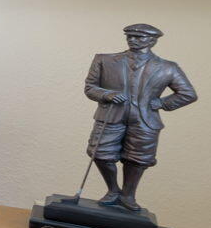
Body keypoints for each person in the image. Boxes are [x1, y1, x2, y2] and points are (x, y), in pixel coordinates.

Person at [84, 23, 197, 213]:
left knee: (138, 159)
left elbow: (188, 94)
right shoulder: (104, 60)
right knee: (100, 153)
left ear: (152, 41)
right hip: (110, 117)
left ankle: (128, 195)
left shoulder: (168, 67)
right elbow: (90, 87)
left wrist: (161, 103)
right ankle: (113, 190)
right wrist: (107, 94)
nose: (133, 40)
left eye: (139, 37)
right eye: (130, 36)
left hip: (145, 120)